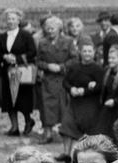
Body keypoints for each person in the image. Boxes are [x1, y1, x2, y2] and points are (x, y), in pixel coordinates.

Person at [59, 44, 104, 162]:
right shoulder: (74, 67)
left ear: (94, 53)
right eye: (85, 51)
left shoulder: (98, 69)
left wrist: (85, 91)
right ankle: (66, 154)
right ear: (80, 53)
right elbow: (65, 82)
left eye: (89, 51)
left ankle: (84, 156)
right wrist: (71, 89)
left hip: (90, 104)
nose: (87, 53)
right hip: (74, 102)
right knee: (67, 124)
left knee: (86, 129)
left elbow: (101, 87)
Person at [36, 15, 76, 144]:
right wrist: (47, 66)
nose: (50, 31)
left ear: (59, 29)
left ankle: (64, 133)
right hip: (48, 80)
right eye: (47, 28)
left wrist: (61, 67)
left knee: (63, 106)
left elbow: (74, 59)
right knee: (46, 107)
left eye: (52, 28)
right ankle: (47, 134)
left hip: (63, 79)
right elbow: (38, 61)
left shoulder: (68, 41)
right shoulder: (42, 42)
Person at [0, 9, 37, 137]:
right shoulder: (2, 36)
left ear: (19, 20)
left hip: (21, 71)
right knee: (9, 99)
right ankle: (14, 127)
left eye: (13, 19)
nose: (10, 21)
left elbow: (32, 52)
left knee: (23, 98)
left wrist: (17, 58)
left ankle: (28, 121)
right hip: (7, 71)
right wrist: (4, 57)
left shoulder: (26, 35)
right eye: (8, 19)